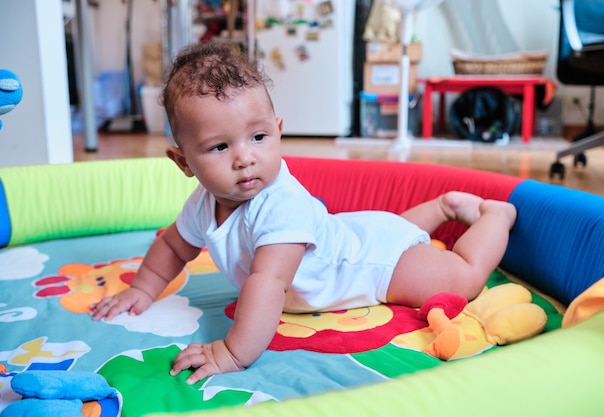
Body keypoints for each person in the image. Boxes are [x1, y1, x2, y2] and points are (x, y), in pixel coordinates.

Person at [90, 42, 517, 384]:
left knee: (459, 278)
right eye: (220, 147)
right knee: (389, 231)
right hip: (350, 236)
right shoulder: (203, 203)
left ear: (278, 131)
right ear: (184, 162)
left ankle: (494, 217)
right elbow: (173, 246)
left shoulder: (281, 206)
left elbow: (268, 282)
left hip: (371, 267)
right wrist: (142, 289)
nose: (244, 159)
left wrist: (231, 352)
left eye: (258, 137)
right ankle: (441, 208)